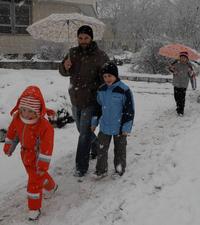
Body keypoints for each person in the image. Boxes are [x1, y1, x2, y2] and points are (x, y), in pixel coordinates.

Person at [59, 25, 109, 177]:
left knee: (84, 134)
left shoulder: (100, 55)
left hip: (91, 100)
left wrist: (94, 88)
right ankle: (95, 147)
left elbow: (108, 77)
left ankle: (81, 167)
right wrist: (64, 66)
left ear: (91, 38)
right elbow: (62, 71)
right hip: (75, 98)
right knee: (82, 130)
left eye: (86, 38)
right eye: (80, 38)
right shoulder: (72, 52)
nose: (83, 41)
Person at [3, 86, 57, 221]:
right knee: (36, 175)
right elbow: (12, 131)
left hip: (38, 155)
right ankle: (51, 186)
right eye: (23, 110)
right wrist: (9, 145)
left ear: (36, 111)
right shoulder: (18, 118)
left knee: (33, 181)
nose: (25, 114)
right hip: (25, 153)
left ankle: (34, 208)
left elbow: (47, 147)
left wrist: (42, 163)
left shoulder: (44, 126)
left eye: (29, 111)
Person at [91, 62, 135, 178]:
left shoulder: (124, 90)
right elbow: (97, 108)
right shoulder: (101, 89)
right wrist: (94, 122)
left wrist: (126, 128)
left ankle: (119, 170)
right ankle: (101, 170)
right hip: (105, 126)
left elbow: (129, 110)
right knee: (101, 149)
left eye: (109, 76)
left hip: (120, 128)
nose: (107, 79)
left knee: (120, 151)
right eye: (105, 76)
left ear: (116, 75)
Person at [169, 51, 195, 116]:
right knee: (176, 97)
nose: (183, 59)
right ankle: (178, 106)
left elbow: (191, 75)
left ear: (187, 58)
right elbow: (170, 68)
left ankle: (181, 111)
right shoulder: (176, 63)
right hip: (176, 83)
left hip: (184, 84)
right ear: (179, 58)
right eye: (181, 57)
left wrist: (190, 72)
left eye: (184, 58)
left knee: (182, 98)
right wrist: (173, 70)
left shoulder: (189, 65)